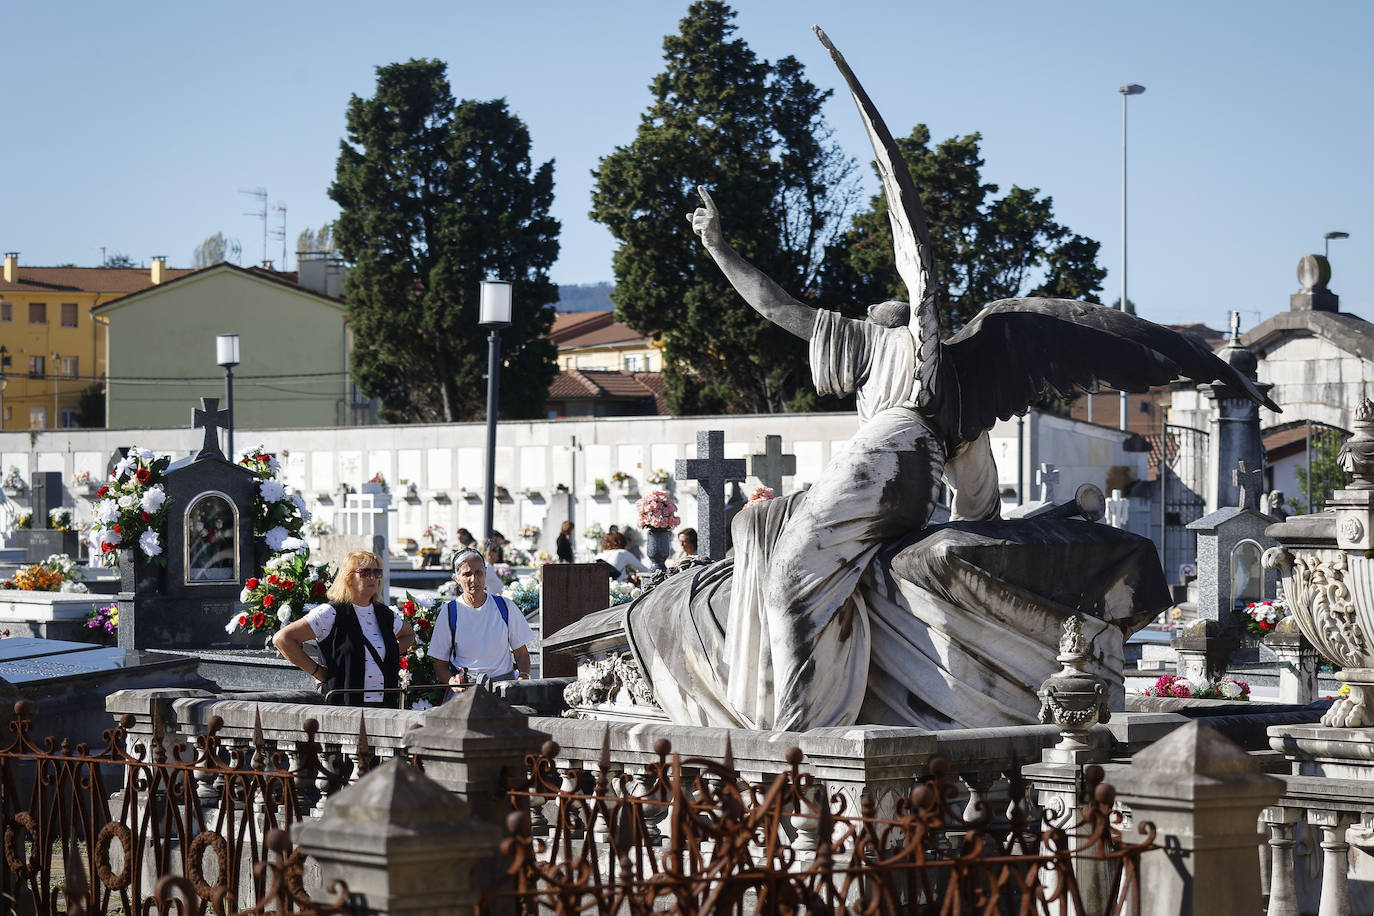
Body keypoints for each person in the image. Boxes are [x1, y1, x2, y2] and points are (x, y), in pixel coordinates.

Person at [273, 550, 416, 708]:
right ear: (348, 578)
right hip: (344, 707)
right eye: (365, 572)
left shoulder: (385, 614)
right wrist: (318, 671)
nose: (373, 577)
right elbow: (282, 639)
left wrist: (389, 653)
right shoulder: (330, 613)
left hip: (385, 706)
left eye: (377, 572)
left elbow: (409, 634)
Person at [430, 548, 534, 690]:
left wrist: (523, 677)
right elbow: (439, 663)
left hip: (504, 687)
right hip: (466, 689)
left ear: (485, 572)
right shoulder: (449, 612)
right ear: (457, 579)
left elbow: (521, 653)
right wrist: (452, 682)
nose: (474, 579)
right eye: (467, 574)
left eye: (478, 572)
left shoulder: (505, 606)